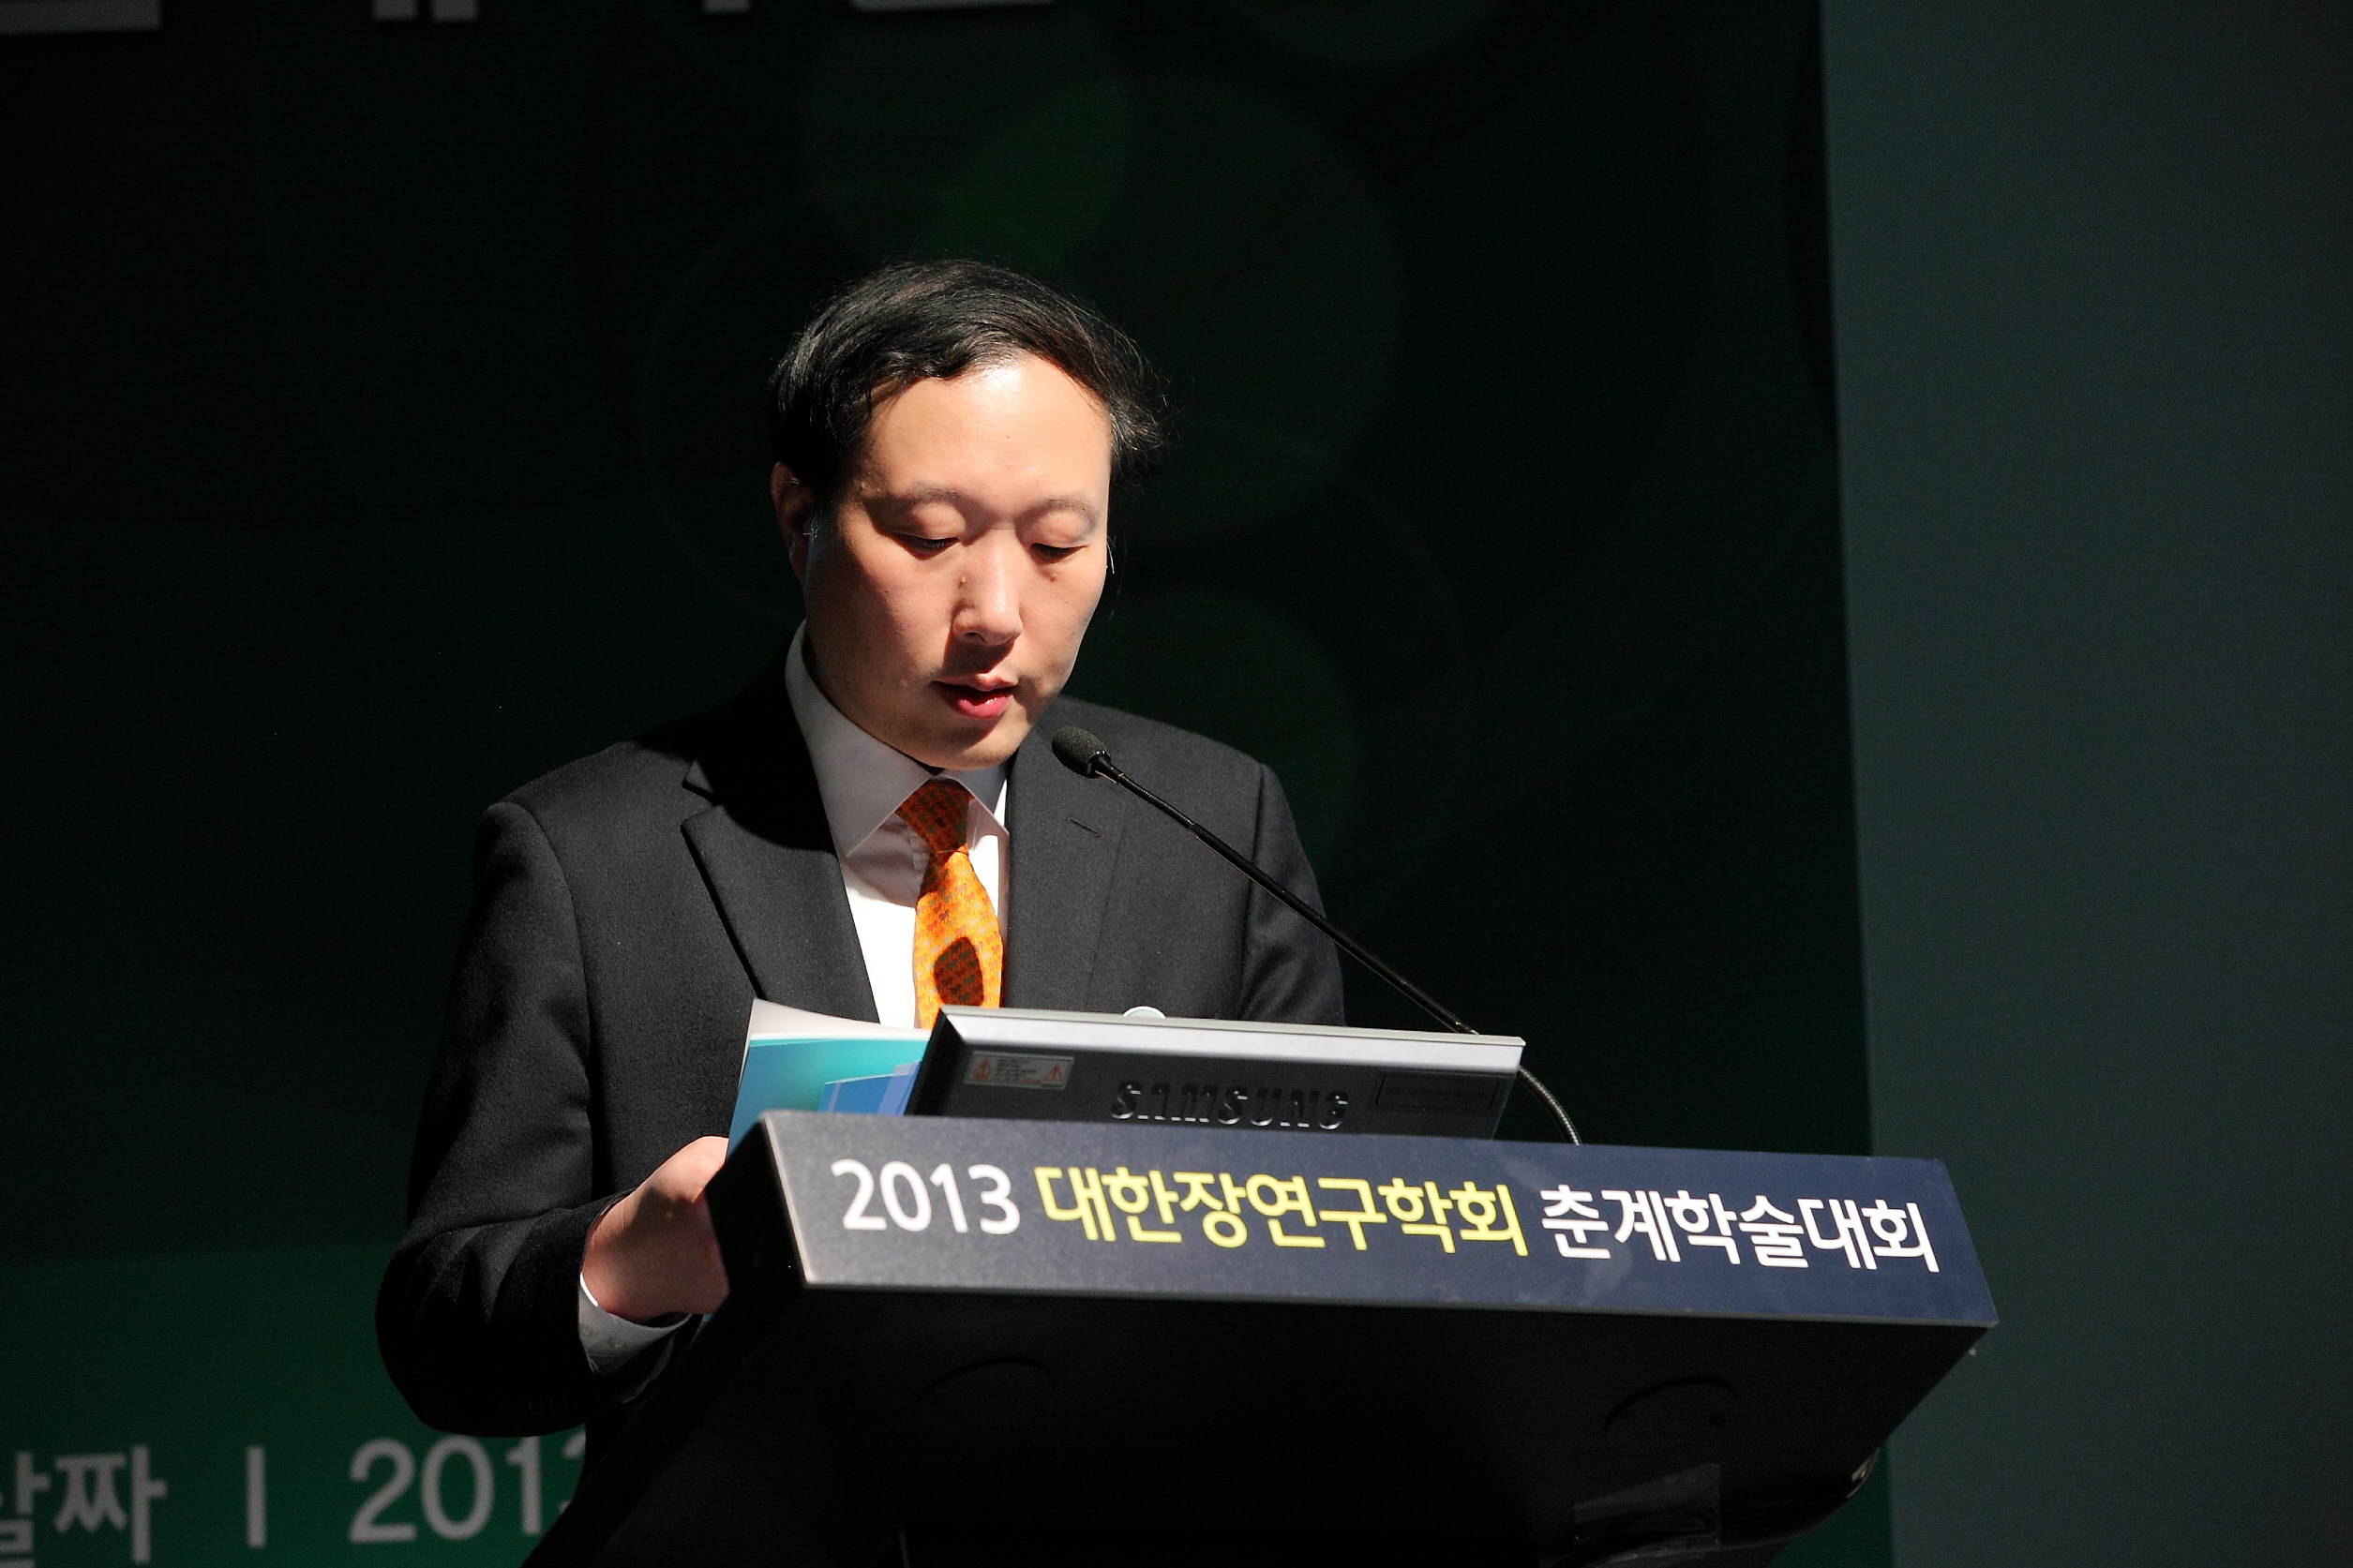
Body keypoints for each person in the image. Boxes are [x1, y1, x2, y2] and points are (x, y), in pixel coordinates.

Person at [376, 261, 1344, 1441]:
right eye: (929, 537)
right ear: (801, 517)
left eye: (1057, 544)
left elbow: (1342, 1257)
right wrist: (630, 1263)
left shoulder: (1212, 826)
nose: (995, 612)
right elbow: (441, 1333)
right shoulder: (586, 859)